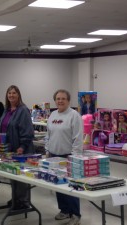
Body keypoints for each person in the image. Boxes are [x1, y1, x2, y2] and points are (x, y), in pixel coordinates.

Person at [45, 89, 83, 225]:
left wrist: (74, 157)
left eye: (63, 99)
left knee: (71, 186)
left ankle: (76, 214)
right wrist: (47, 150)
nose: (60, 101)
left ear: (68, 101)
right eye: (58, 98)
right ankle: (64, 210)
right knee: (59, 185)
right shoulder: (53, 114)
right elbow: (48, 135)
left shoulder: (74, 116)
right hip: (53, 156)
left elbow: (78, 139)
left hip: (68, 156)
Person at [0, 85, 34, 210]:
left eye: (14, 93)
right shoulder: (7, 110)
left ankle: (23, 202)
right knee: (13, 175)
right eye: (9, 93)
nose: (11, 95)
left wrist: (22, 146)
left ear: (18, 95)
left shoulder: (23, 110)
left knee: (21, 177)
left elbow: (28, 130)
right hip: (9, 148)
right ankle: (16, 198)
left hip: (21, 149)